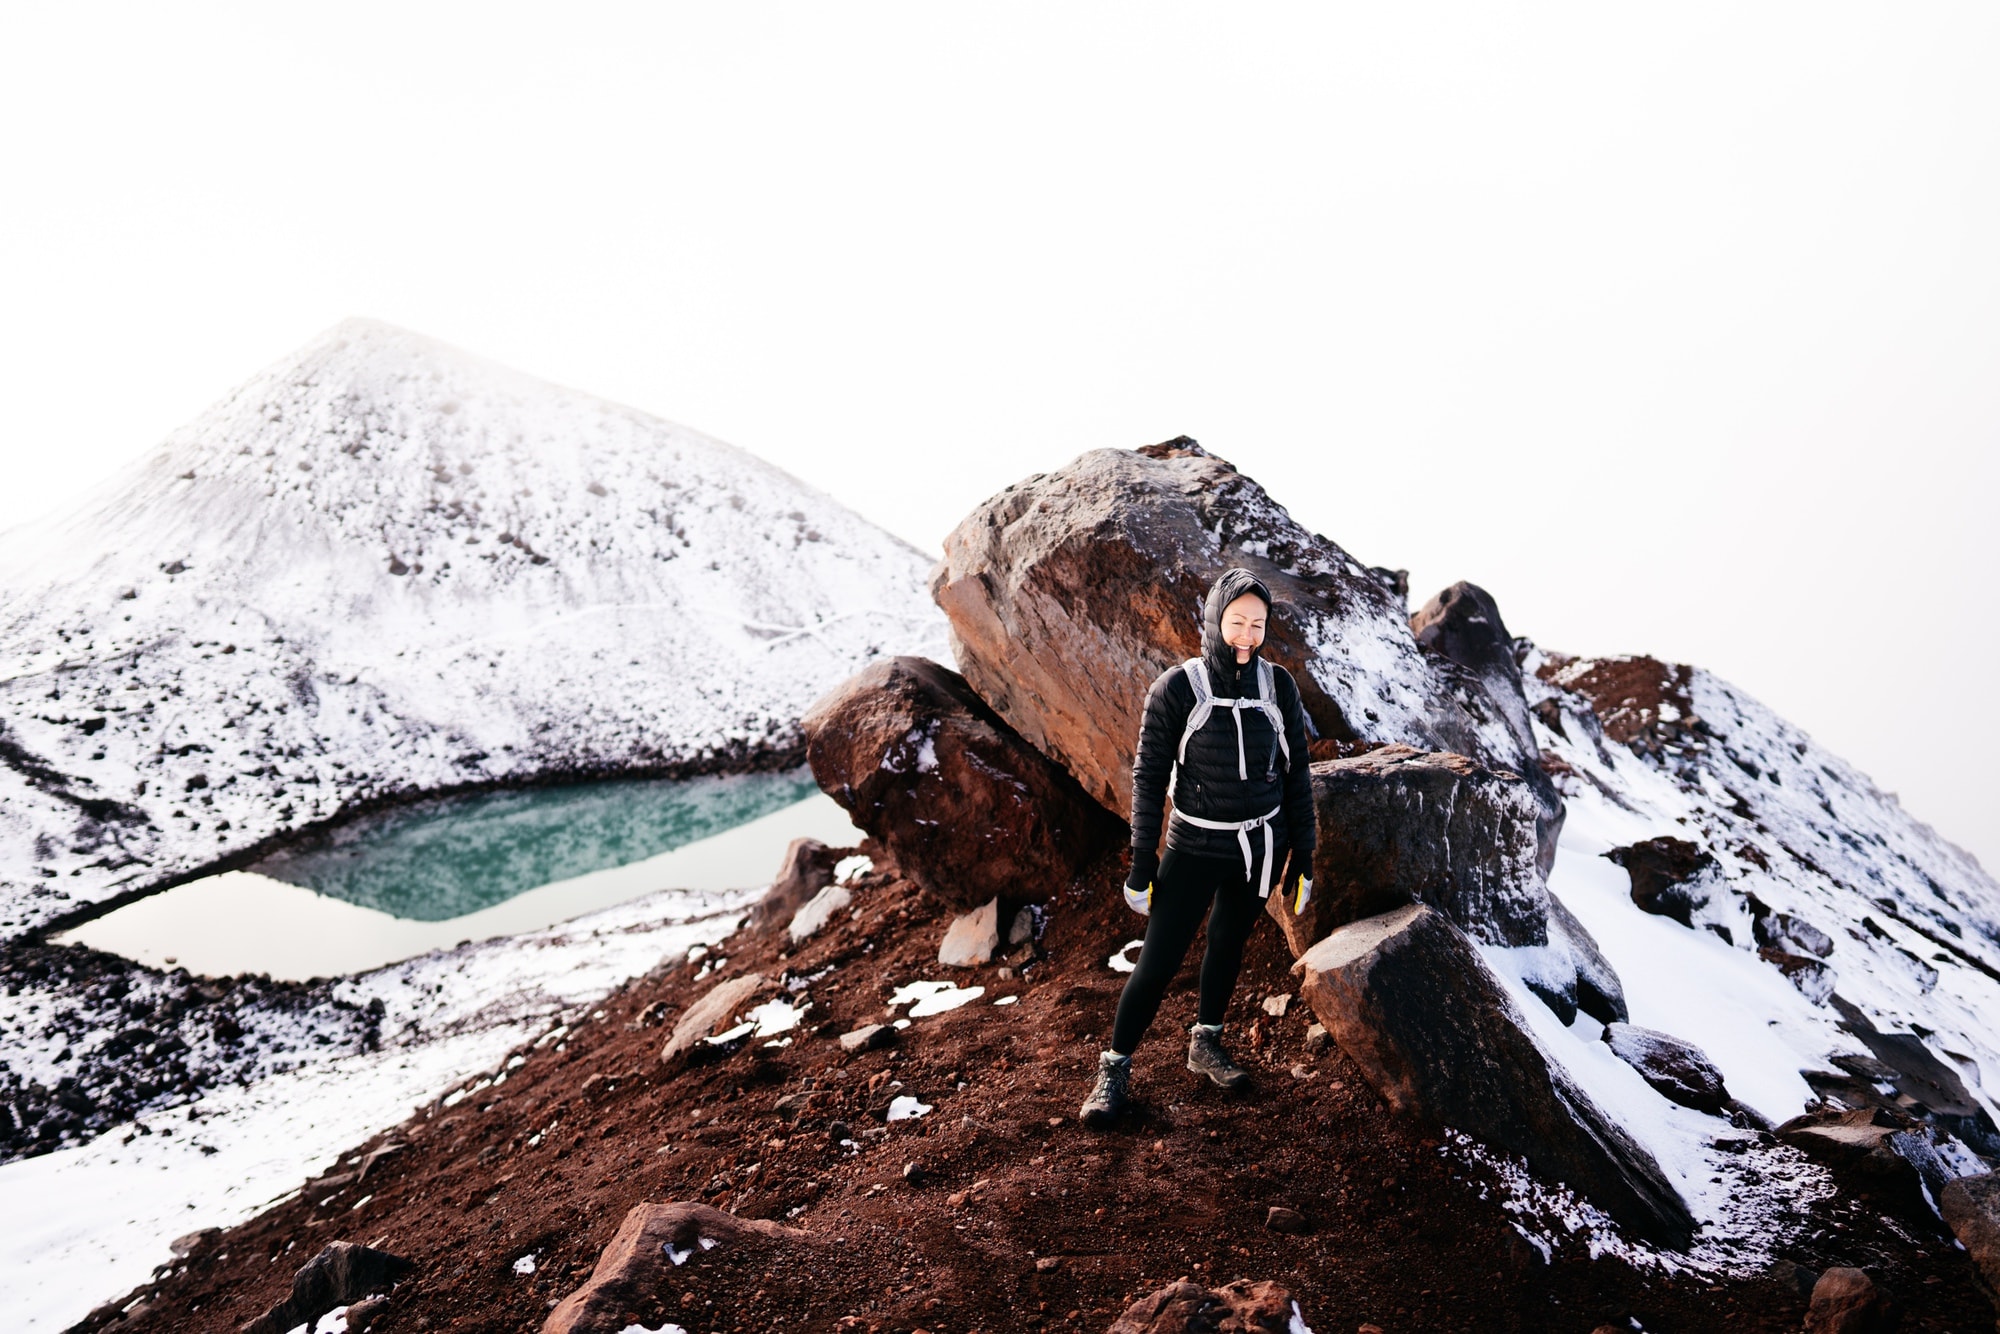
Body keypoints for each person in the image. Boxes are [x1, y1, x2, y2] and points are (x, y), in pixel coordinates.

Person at [1080, 567, 1317, 1128]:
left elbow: (1297, 775)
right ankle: (1113, 1069)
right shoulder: (1178, 688)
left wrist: (1303, 854)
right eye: (1237, 622)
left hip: (1258, 846)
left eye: (1258, 625)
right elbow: (1147, 777)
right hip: (1192, 846)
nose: (1247, 635)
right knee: (1158, 961)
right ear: (1214, 619)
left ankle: (1205, 1041)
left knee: (1227, 945)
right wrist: (1142, 863)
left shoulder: (1278, 686)